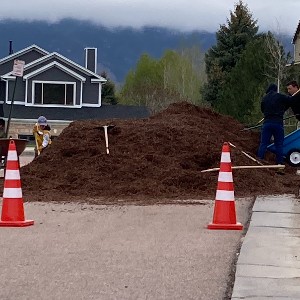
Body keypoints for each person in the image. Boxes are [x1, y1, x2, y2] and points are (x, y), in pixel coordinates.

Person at [257, 83, 291, 166]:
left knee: (263, 143)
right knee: (279, 144)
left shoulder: (264, 98)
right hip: (278, 123)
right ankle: (279, 163)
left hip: (267, 123)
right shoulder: (280, 96)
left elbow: (262, 109)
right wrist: (282, 110)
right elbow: (290, 101)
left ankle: (258, 161)